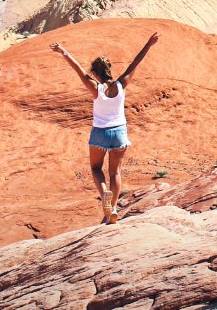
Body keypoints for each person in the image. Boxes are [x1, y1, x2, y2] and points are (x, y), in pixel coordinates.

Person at [50, 32, 159, 224]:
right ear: (109, 69)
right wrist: (149, 44)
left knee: (95, 168)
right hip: (119, 133)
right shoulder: (122, 84)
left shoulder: (95, 88)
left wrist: (63, 52)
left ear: (95, 73)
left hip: (100, 132)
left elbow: (78, 71)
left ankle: (104, 196)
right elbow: (135, 63)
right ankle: (113, 209)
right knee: (115, 172)